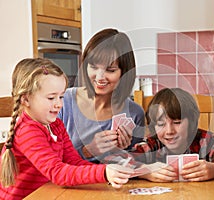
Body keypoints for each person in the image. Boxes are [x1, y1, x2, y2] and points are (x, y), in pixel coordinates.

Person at [0, 58, 133, 200]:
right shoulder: (27, 131)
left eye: (61, 96)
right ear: (26, 100)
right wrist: (104, 173)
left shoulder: (56, 125)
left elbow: (74, 162)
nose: (59, 104)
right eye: (51, 98)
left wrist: (109, 172)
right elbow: (57, 172)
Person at [58, 28, 145, 163]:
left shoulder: (134, 114)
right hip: (66, 183)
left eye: (110, 70)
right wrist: (86, 151)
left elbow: (133, 166)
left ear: (125, 72)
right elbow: (49, 160)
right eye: (93, 67)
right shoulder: (63, 102)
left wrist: (124, 152)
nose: (99, 77)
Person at [129, 88, 214, 182]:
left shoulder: (204, 141)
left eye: (177, 122)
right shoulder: (152, 145)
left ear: (191, 122)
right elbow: (117, 162)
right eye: (161, 124)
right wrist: (144, 171)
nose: (169, 131)